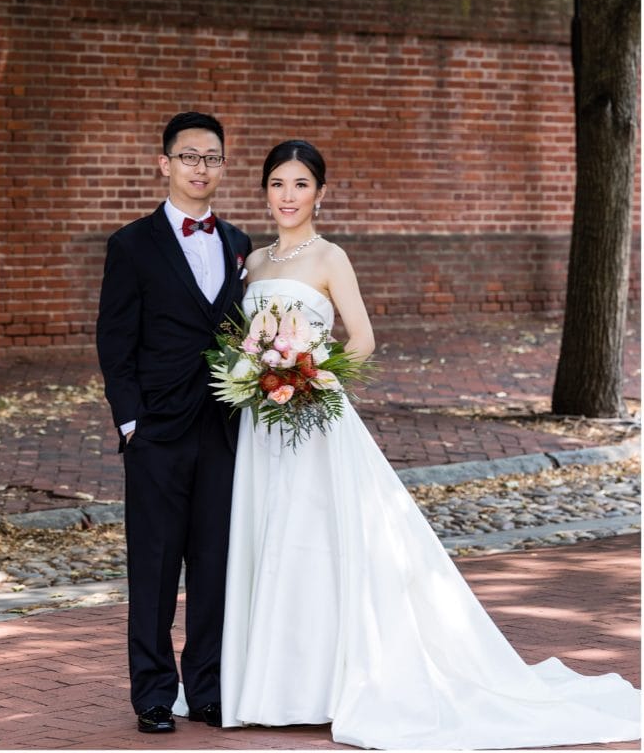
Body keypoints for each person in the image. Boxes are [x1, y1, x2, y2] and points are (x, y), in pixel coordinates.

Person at [219, 139, 641, 750]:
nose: (288, 196)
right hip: (263, 421)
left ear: (320, 193)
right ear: (265, 190)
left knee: (316, 538)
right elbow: (241, 338)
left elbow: (362, 339)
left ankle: (322, 684)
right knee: (268, 534)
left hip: (314, 413)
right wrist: (255, 372)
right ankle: (269, 682)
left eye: (300, 184)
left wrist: (308, 372)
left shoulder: (331, 258)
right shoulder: (251, 264)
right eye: (278, 184)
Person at [96, 111, 251, 734]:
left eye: (211, 158)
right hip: (156, 431)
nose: (200, 168)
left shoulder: (238, 243)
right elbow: (114, 341)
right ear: (165, 164)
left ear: (221, 166)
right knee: (154, 567)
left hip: (222, 429)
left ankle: (207, 688)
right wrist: (130, 423)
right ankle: (154, 695)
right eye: (189, 157)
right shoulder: (131, 245)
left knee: (213, 564)